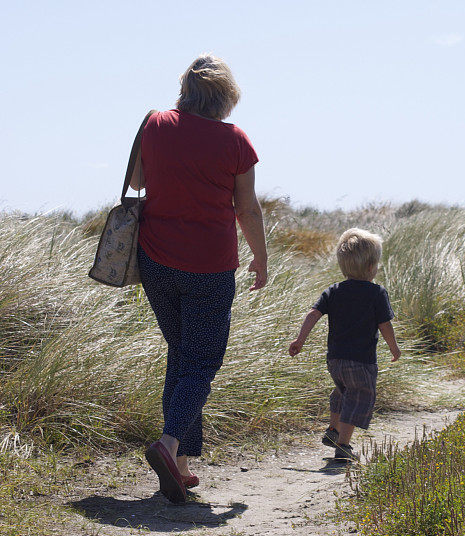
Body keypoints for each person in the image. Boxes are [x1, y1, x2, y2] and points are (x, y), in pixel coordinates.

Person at [130, 54, 268, 503]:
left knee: (182, 356)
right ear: (226, 98)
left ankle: (181, 466)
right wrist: (260, 258)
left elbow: (136, 180)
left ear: (185, 90)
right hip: (209, 267)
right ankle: (169, 447)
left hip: (156, 260)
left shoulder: (154, 124)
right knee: (201, 362)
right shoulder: (236, 141)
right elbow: (247, 208)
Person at [288, 228, 401, 461]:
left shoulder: (333, 291)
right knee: (359, 395)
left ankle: (333, 430)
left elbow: (313, 314)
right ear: (371, 267)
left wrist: (300, 339)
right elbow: (384, 324)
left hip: (335, 360)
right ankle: (343, 446)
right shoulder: (377, 293)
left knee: (342, 392)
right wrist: (393, 347)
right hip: (361, 360)